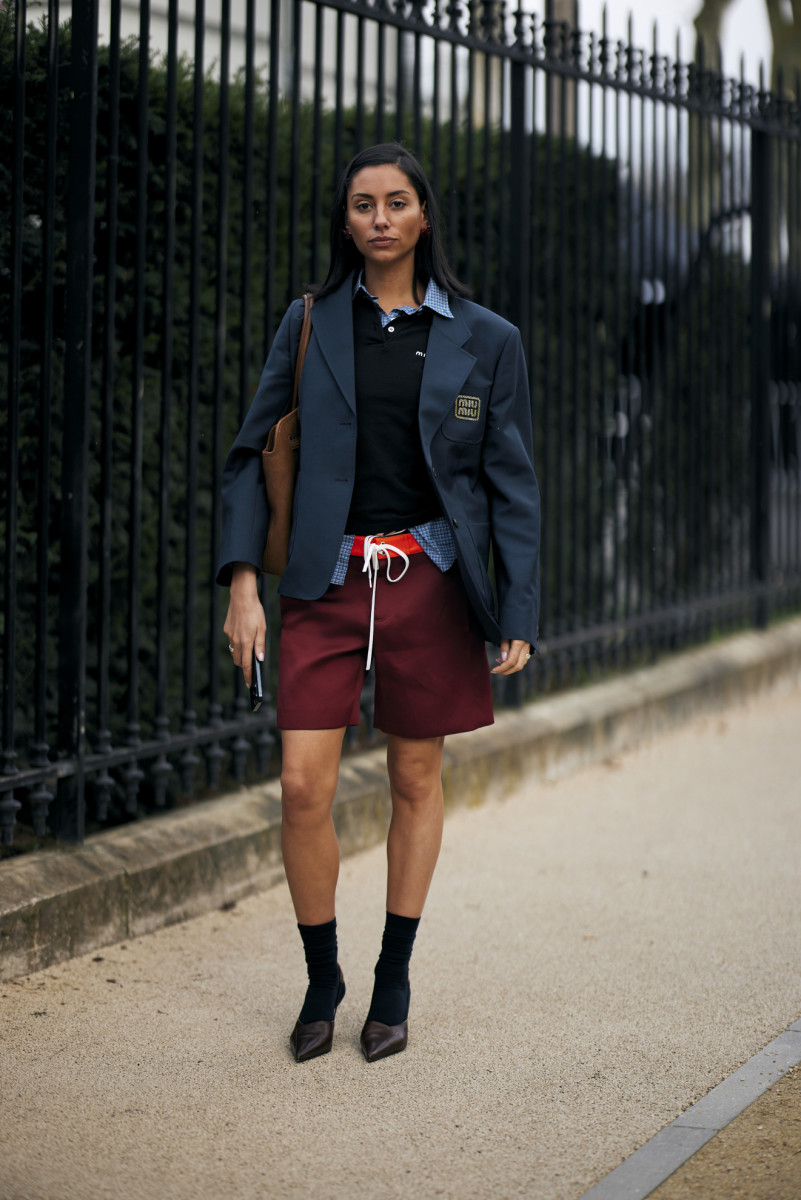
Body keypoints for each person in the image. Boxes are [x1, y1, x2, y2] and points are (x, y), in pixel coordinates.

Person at [218, 142, 540, 1063]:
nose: (380, 218)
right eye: (362, 205)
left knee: (413, 780)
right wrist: (244, 583)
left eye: (397, 202)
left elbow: (510, 484)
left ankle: (391, 979)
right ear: (346, 221)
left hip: (429, 584)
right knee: (301, 787)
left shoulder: (488, 338)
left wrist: (515, 608)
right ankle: (324, 977)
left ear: (423, 216)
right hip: (322, 582)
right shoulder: (310, 322)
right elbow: (253, 453)